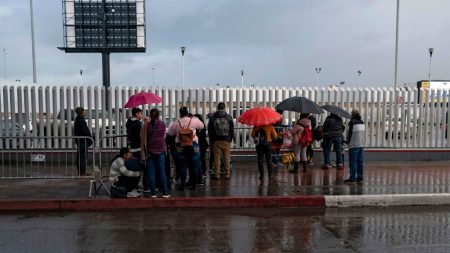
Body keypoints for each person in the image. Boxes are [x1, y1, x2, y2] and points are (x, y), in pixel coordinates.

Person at [168, 106, 204, 191]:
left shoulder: (176, 122)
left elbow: (170, 133)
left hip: (180, 147)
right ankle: (194, 185)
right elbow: (202, 126)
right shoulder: (193, 120)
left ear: (180, 113)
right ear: (187, 113)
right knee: (194, 166)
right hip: (193, 146)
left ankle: (182, 186)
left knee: (182, 166)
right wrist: (194, 118)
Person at [140, 108, 170, 197]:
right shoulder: (162, 124)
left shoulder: (147, 125)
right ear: (158, 115)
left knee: (151, 172)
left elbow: (142, 135)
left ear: (150, 115)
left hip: (150, 151)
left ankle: (153, 193)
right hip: (161, 151)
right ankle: (165, 192)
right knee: (162, 172)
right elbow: (164, 136)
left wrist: (145, 122)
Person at [207, 102, 234, 179]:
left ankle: (217, 174)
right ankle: (227, 174)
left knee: (216, 158)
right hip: (226, 140)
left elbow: (210, 130)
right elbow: (231, 129)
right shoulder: (229, 117)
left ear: (217, 108)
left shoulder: (213, 117)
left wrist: (212, 140)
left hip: (216, 141)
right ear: (224, 107)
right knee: (226, 157)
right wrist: (229, 139)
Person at [126, 107, 146, 189]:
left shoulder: (129, 122)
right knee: (140, 167)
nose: (141, 115)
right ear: (136, 114)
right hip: (138, 148)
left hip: (132, 147)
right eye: (140, 113)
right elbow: (140, 135)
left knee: (133, 166)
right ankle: (135, 184)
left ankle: (133, 183)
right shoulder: (137, 123)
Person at [344, 110, 366, 183]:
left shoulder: (352, 122)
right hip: (361, 144)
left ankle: (353, 178)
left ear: (352, 115)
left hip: (354, 145)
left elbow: (349, 133)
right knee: (360, 162)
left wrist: (347, 141)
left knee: (353, 162)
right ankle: (360, 178)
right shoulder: (362, 122)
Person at [74, 107, 92, 176]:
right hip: (83, 141)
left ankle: (80, 172)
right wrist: (90, 138)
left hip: (79, 140)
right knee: (83, 157)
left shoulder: (77, 120)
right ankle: (82, 173)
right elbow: (85, 131)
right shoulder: (81, 120)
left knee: (80, 157)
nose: (85, 112)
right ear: (81, 112)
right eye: (84, 111)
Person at [194, 114, 208, 184]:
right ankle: (203, 172)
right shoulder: (203, 124)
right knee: (202, 158)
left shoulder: (197, 126)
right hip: (203, 144)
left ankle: (200, 172)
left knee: (199, 158)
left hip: (199, 144)